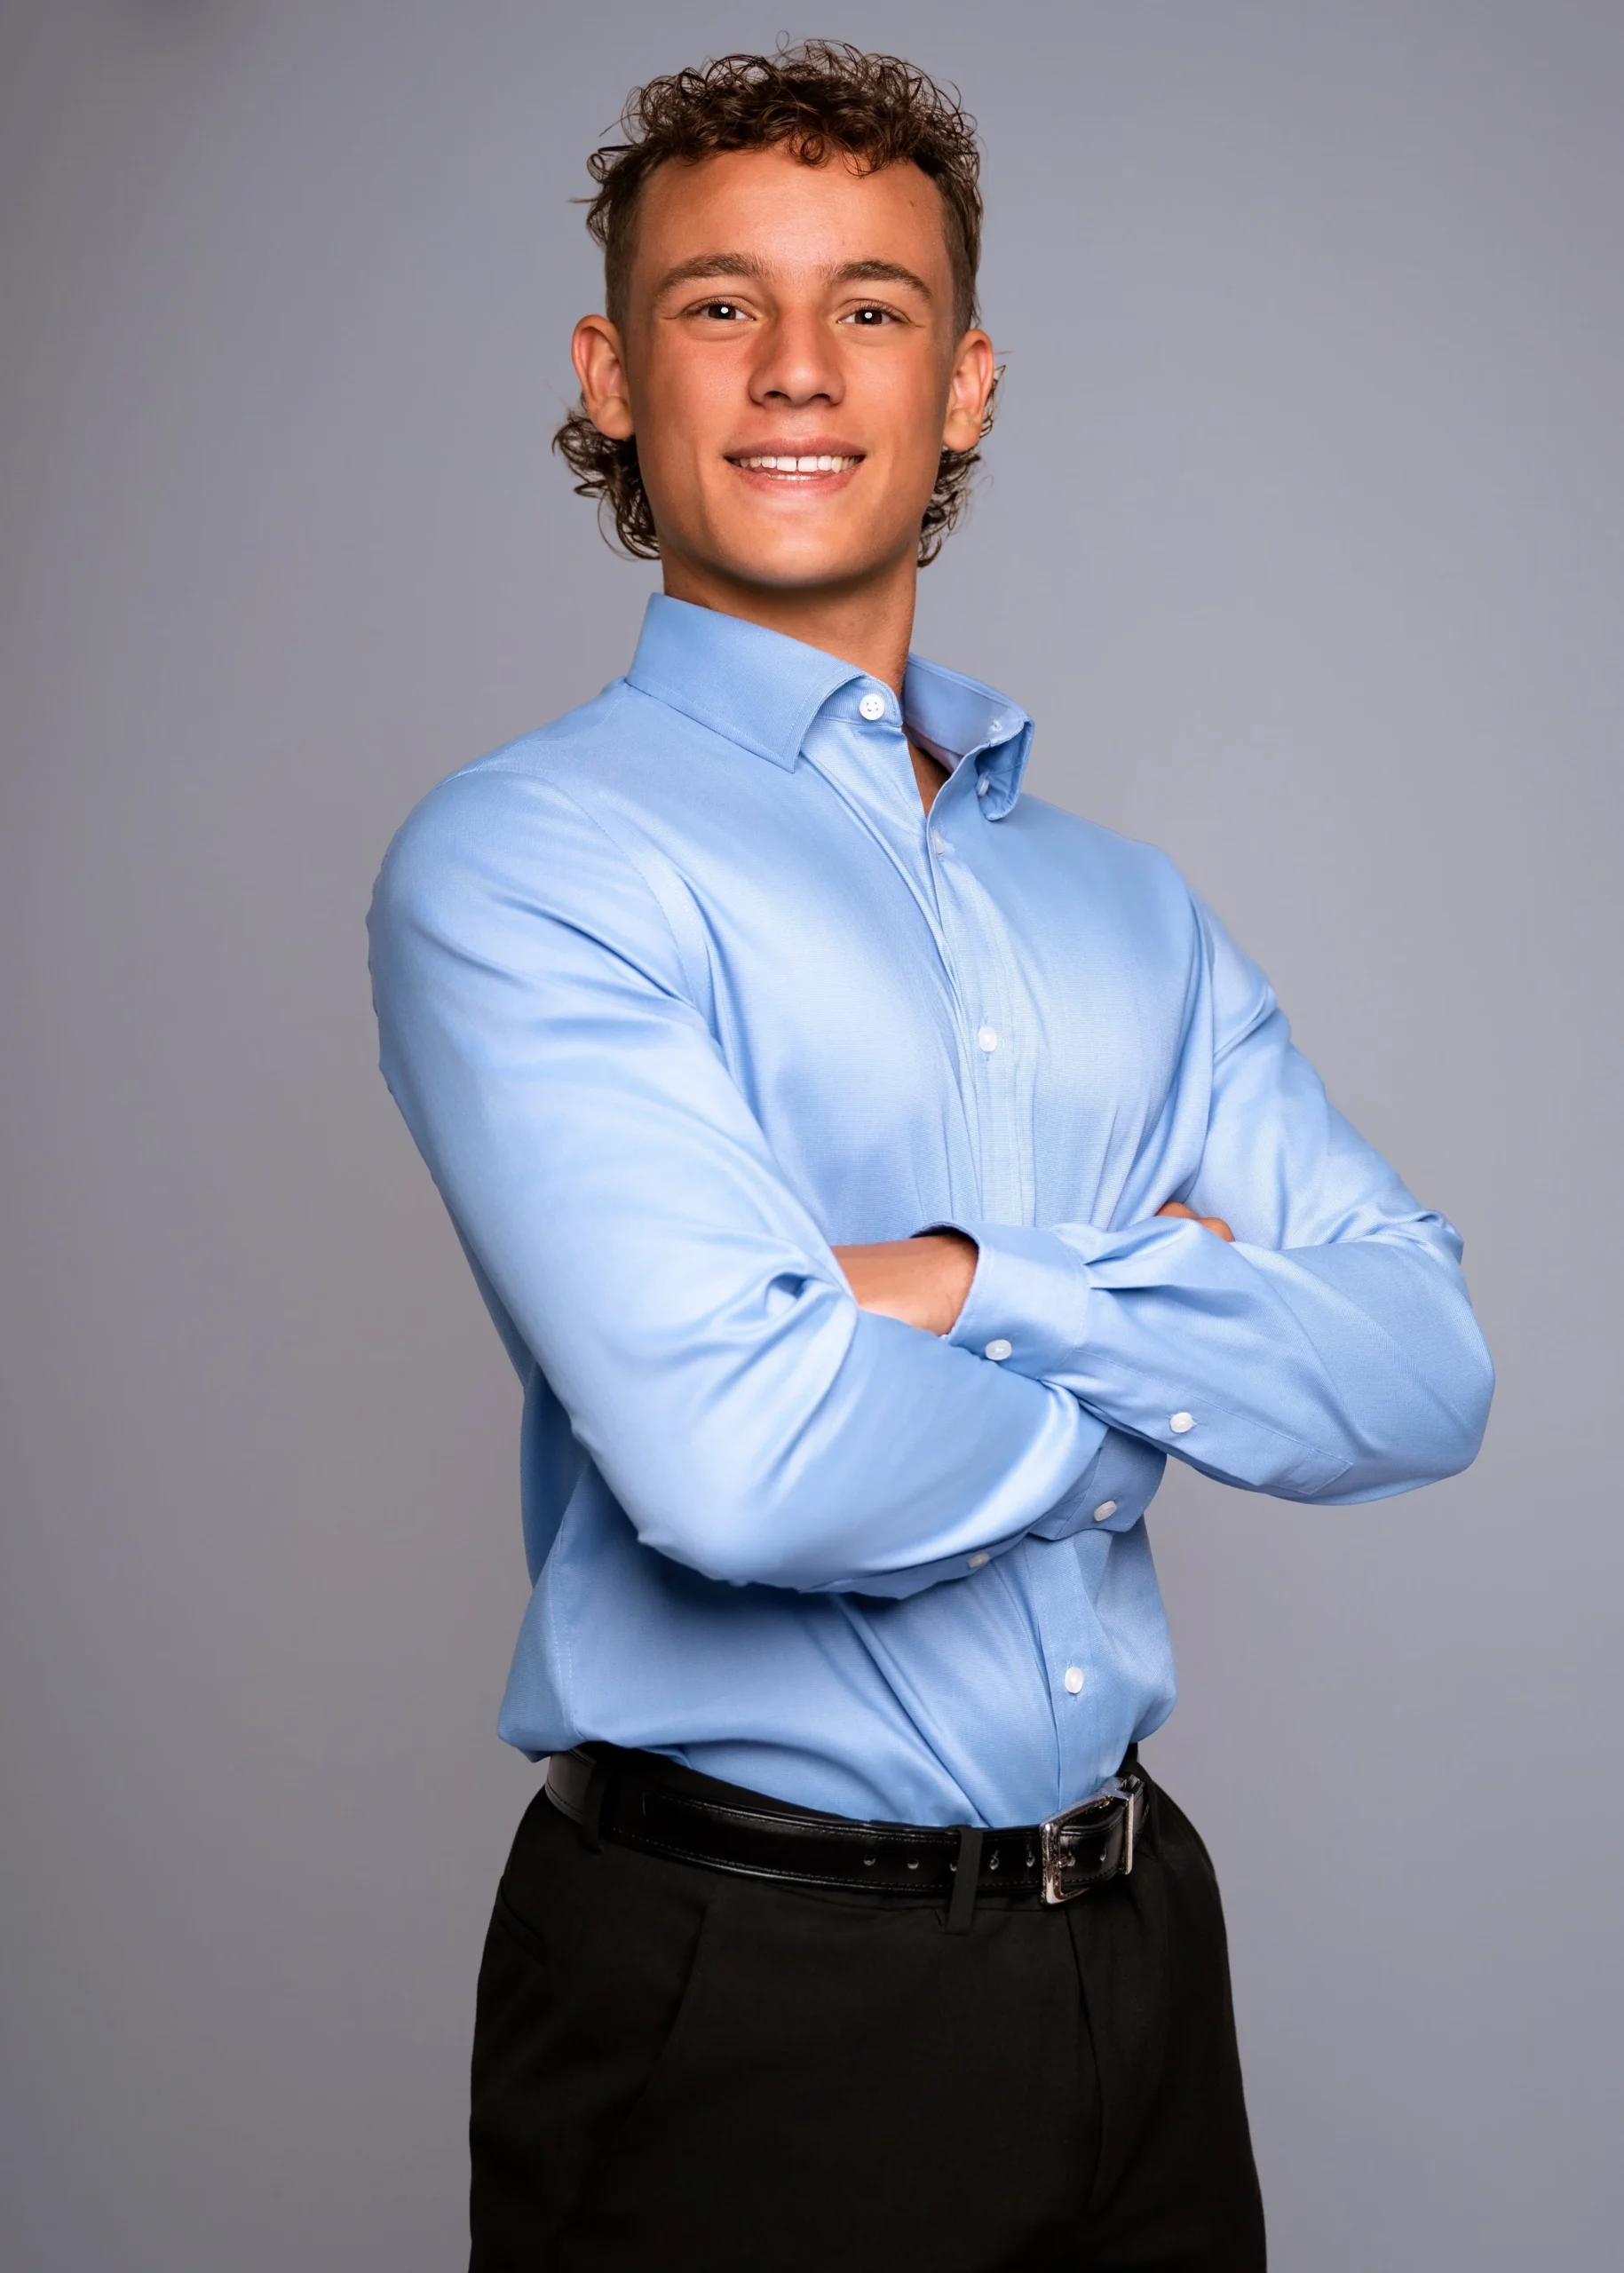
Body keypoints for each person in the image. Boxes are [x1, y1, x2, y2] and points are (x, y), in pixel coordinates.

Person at [367, 41, 1493, 2273]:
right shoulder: (528, 864)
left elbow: (1422, 1362)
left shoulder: (1131, 912)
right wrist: (1165, 1369)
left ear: (960, 386)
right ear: (612, 374)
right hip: (741, 1993)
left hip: (1135, 1951)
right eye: (719, 302)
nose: (797, 365)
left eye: (868, 306)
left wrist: (975, 1282)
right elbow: (742, 1463)